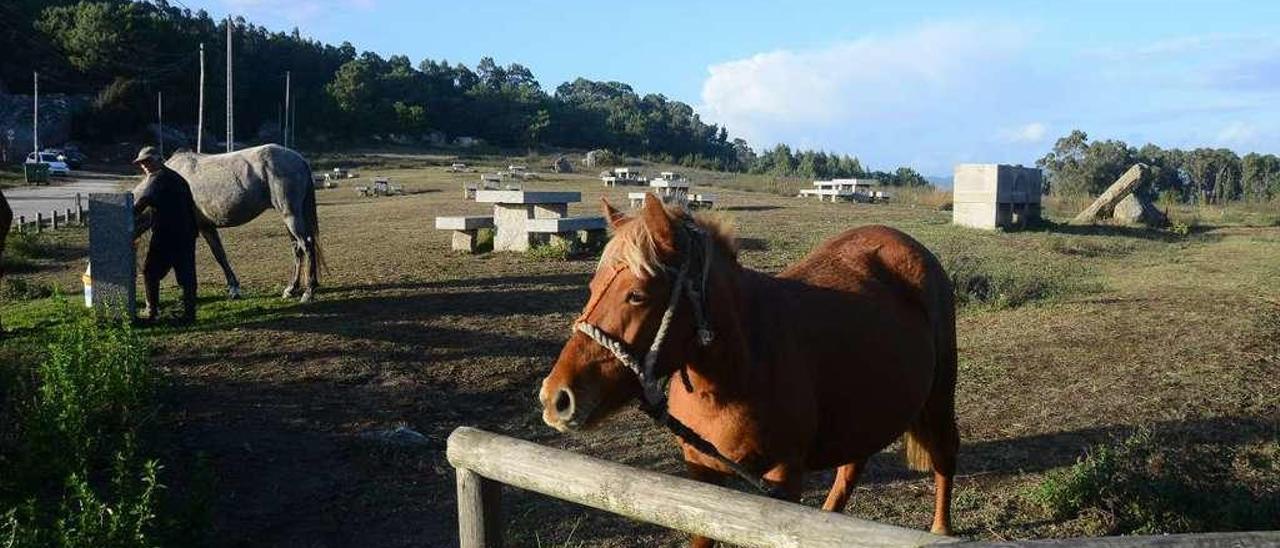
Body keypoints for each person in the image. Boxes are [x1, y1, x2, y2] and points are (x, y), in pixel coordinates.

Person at [131, 146, 199, 323]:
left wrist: (124, 215)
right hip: (186, 233)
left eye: (148, 161)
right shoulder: (175, 177)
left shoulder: (159, 178)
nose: (144, 166)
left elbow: (144, 202)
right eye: (141, 163)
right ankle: (189, 314)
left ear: (159, 160)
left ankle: (152, 313)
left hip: (169, 235)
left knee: (150, 272)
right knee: (187, 275)